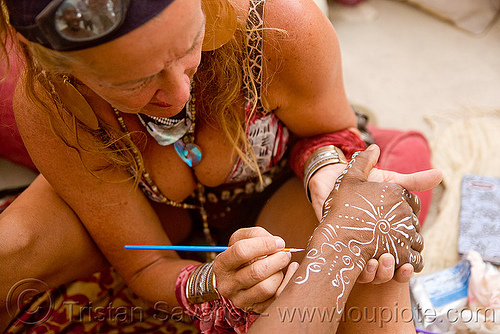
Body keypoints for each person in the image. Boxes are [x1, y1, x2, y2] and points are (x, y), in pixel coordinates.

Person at [0, 0, 442, 332]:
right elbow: (145, 265)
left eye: (190, 45)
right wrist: (208, 284)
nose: (176, 93)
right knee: (10, 250)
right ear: (70, 73)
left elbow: (333, 135)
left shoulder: (281, 26)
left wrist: (326, 173)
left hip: (280, 191)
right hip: (161, 214)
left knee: (373, 233)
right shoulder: (52, 105)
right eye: (133, 81)